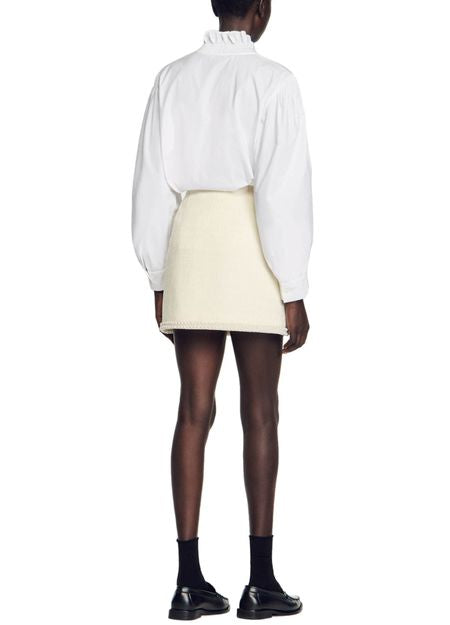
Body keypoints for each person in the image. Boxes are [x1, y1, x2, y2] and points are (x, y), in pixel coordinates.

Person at [132, 0, 313, 619]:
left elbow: (152, 183)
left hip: (191, 245)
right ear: (262, 9)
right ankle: (261, 582)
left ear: (215, 5)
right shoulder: (274, 81)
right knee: (260, 413)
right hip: (252, 246)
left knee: (193, 410)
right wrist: (293, 286)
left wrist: (159, 274)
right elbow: (283, 190)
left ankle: (188, 582)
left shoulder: (171, 78)